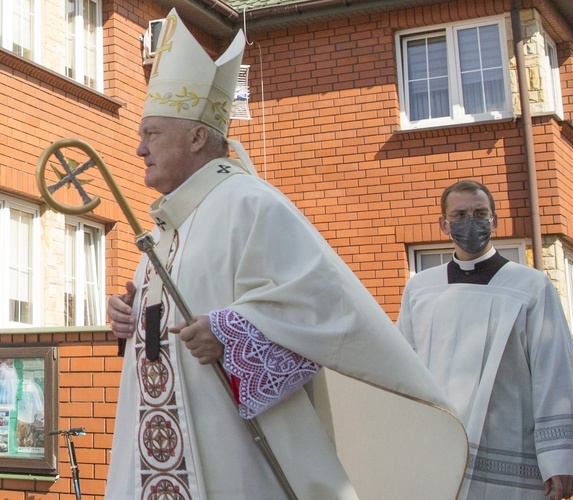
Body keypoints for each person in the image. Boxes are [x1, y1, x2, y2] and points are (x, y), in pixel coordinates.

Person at [105, 9, 467, 499]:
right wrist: (128, 324)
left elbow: (322, 305)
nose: (138, 150)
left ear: (195, 137)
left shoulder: (250, 203)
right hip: (157, 450)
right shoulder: (163, 230)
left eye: (150, 134)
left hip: (232, 451)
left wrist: (232, 334)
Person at [396, 180, 573, 500]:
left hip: (510, 442)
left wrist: (560, 457)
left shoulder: (531, 285)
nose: (471, 221)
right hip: (439, 444)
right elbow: (403, 367)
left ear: (495, 220)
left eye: (480, 213)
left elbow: (554, 370)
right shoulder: (421, 288)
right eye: (460, 214)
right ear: (444, 224)